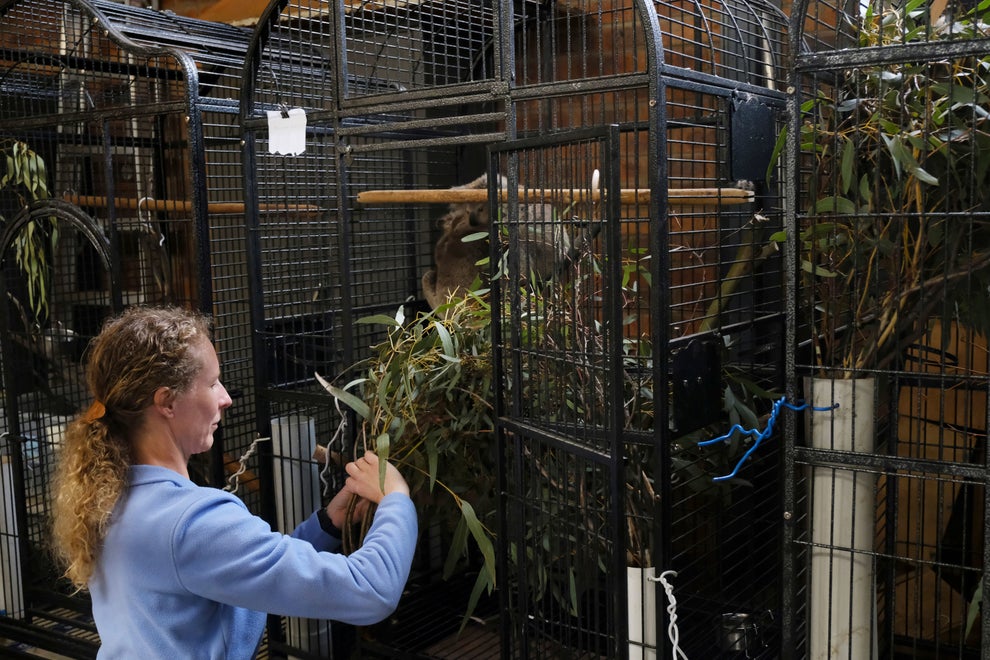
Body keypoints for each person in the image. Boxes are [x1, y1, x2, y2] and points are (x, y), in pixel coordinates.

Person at [50, 305, 417, 658]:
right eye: (212, 383)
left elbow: (236, 569)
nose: (226, 398)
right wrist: (397, 498)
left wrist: (328, 524)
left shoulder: (109, 495)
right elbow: (370, 591)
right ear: (167, 402)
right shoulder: (191, 521)